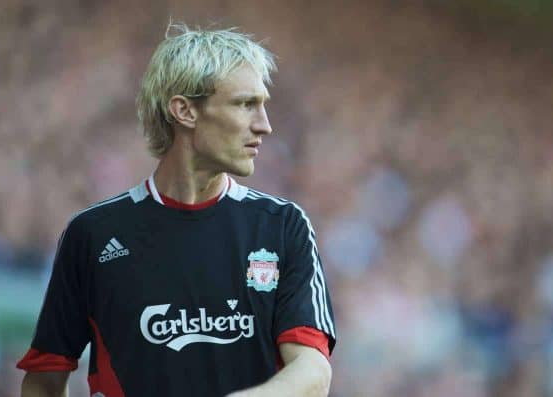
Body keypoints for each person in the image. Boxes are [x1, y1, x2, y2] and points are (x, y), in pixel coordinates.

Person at [17, 24, 336, 397]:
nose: (264, 125)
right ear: (185, 110)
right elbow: (45, 378)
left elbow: (313, 370)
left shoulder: (282, 226)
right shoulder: (93, 234)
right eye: (245, 104)